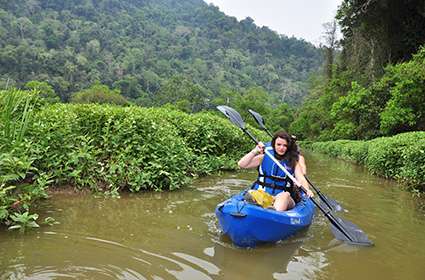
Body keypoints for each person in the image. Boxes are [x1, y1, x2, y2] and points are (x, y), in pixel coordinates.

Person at [238, 131, 314, 211]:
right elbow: (241, 164)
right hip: (264, 195)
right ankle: (265, 207)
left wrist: (307, 190)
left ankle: (273, 213)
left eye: (285, 145)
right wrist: (255, 151)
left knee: (285, 195)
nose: (281, 148)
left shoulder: (293, 161)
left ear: (288, 147)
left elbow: (301, 178)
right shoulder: (264, 157)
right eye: (279, 145)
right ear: (274, 144)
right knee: (252, 193)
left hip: (283, 198)